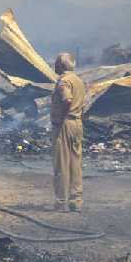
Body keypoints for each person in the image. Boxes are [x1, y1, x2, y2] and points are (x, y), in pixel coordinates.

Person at [50, 53, 87, 212]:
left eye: (56, 63)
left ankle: (61, 202)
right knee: (75, 164)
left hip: (65, 124)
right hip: (77, 124)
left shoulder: (63, 82)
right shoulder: (79, 81)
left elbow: (67, 100)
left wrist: (61, 118)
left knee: (61, 164)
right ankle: (76, 201)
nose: (54, 66)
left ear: (61, 65)